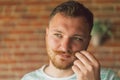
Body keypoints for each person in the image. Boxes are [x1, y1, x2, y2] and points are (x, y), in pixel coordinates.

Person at [21, 1, 120, 80]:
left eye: (77, 38)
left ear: (88, 41)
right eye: (58, 35)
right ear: (47, 34)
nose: (65, 47)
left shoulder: (108, 77)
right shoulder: (28, 79)